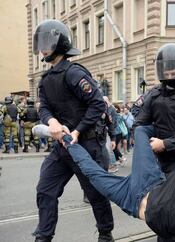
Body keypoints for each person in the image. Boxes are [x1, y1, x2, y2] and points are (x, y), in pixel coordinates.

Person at [32, 19, 114, 242]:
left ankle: (105, 235)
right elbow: (44, 107)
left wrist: (77, 131)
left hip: (86, 145)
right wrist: (51, 122)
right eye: (40, 43)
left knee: (96, 194)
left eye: (46, 42)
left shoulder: (74, 73)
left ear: (59, 44)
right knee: (45, 189)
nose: (42, 47)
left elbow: (98, 104)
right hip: (62, 148)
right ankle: (44, 236)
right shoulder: (46, 79)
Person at [134, 43, 175, 175]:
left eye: (174, 73)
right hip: (157, 159)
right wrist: (146, 144)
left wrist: (165, 144)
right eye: (167, 73)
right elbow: (139, 123)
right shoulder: (155, 93)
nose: (170, 77)